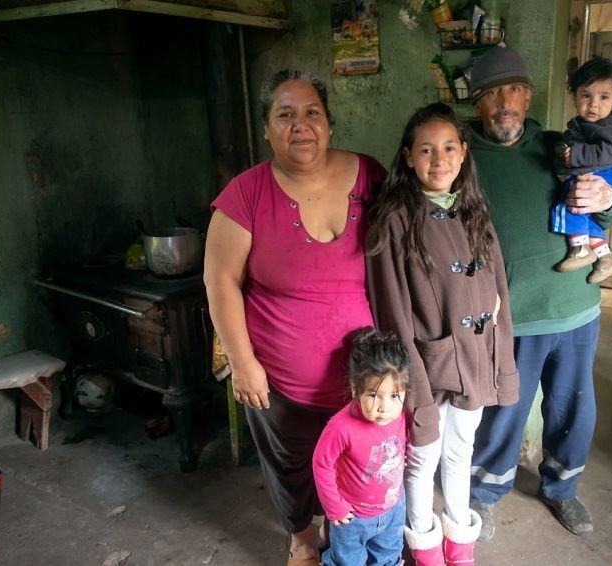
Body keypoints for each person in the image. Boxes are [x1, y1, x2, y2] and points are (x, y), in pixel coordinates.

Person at [203, 69, 386, 566]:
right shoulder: (246, 194)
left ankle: (337, 527)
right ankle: (302, 539)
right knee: (290, 465)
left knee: (352, 460)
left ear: (329, 123)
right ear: (267, 128)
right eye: (285, 115)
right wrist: (243, 364)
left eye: (311, 113)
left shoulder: (370, 175)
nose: (299, 126)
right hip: (282, 380)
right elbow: (220, 282)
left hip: (364, 378)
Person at [465, 46, 612, 539]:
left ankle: (562, 489)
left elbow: (608, 204)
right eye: (490, 93)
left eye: (513, 90)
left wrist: (610, 198)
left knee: (573, 407)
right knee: (503, 412)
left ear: (528, 96)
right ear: (477, 103)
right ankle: (486, 491)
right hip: (511, 315)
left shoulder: (562, 145)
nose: (503, 103)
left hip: (576, 306)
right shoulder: (463, 158)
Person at [366, 102, 519, 565]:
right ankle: (426, 550)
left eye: (450, 147)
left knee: (460, 453)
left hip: (474, 363)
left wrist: (499, 365)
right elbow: (391, 313)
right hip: (427, 372)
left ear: (464, 153)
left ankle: (460, 549)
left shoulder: (474, 213)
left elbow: (499, 300)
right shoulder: (394, 221)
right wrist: (413, 389)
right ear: (409, 157)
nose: (439, 159)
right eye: (427, 150)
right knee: (420, 460)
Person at [312, 327, 410, 566]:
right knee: (348, 561)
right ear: (356, 389)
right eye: (374, 395)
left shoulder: (400, 415)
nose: (385, 407)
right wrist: (334, 507)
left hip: (393, 510)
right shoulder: (341, 427)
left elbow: (401, 443)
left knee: (388, 557)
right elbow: (321, 464)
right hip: (352, 519)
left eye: (395, 395)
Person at [552, 56, 612, 283]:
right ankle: (606, 258)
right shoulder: (586, 124)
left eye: (604, 97)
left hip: (600, 172)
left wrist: (575, 155)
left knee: (571, 203)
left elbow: (611, 152)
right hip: (594, 170)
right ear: (575, 96)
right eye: (586, 95)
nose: (593, 103)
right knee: (590, 218)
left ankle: (580, 249)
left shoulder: (611, 127)